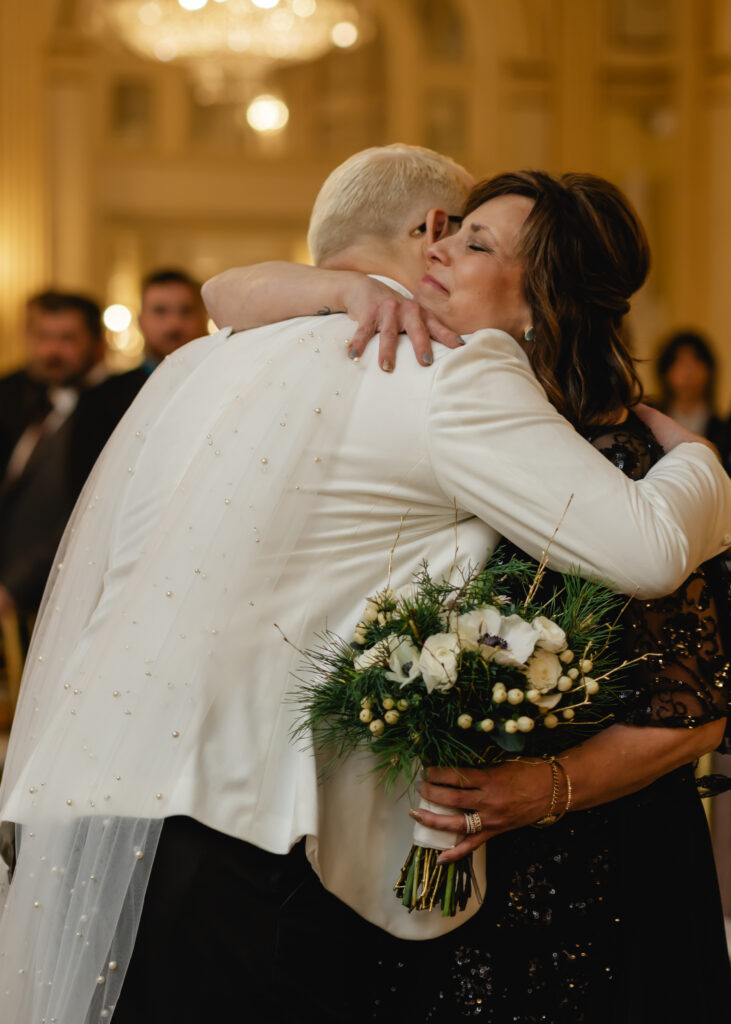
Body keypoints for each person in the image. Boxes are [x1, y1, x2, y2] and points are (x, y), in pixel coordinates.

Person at [0, 147, 729, 1024]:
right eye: (454, 234)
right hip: (250, 845)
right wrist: (701, 464)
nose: (447, 252)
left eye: (475, 244)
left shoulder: (204, 360)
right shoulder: (450, 368)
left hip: (93, 821)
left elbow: (229, 295)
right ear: (425, 231)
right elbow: (648, 548)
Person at [0, 291, 146, 620]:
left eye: (67, 338)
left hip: (68, 590)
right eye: (43, 337)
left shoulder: (119, 405)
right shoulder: (13, 392)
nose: (52, 350)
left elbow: (91, 508)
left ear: (97, 343)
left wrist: (15, 585)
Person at [655, 329, 731, 472]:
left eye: (696, 361)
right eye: (679, 362)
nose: (688, 371)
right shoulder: (651, 423)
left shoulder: (723, 429)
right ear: (665, 372)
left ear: (709, 371)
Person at [138, 268, 209, 373]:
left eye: (186, 311)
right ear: (141, 322)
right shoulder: (113, 388)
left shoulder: (228, 381)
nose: (174, 324)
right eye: (160, 311)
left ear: (202, 319)